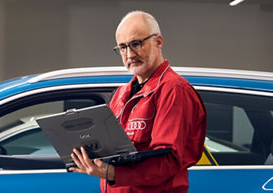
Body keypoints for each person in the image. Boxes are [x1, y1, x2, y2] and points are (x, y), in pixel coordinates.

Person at [69, 10, 206, 193]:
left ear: (158, 41)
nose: (129, 54)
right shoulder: (121, 94)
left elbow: (168, 160)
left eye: (136, 44)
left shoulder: (173, 90)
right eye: (122, 48)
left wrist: (112, 174)